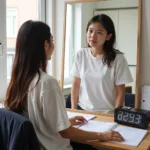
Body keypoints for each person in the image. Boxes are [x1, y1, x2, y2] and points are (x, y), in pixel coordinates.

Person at [4, 20, 124, 150]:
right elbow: (66, 132)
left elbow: (39, 121)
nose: (93, 35)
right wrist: (101, 135)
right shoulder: (47, 83)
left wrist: (67, 121)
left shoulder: (19, 80)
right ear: (46, 44)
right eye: (52, 41)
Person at [71, 14, 133, 112]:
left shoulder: (118, 58)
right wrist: (73, 110)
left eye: (99, 32)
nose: (93, 36)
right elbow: (75, 84)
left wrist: (116, 117)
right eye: (90, 31)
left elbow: (120, 92)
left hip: (108, 113)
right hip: (83, 110)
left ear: (108, 36)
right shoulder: (81, 54)